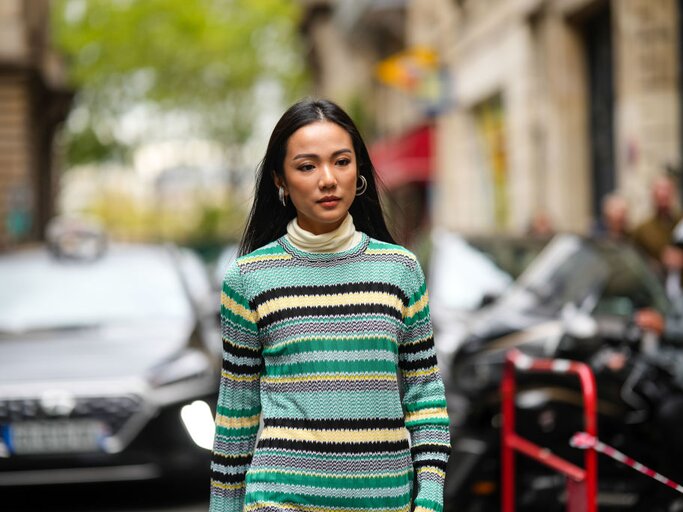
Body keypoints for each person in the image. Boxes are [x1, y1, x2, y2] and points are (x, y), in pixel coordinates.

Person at [209, 98, 451, 512]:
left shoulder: (400, 270)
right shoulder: (248, 279)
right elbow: (237, 414)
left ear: (358, 172)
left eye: (341, 161)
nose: (327, 179)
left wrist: (429, 498)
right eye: (306, 166)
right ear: (280, 181)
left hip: (384, 501)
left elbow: (424, 393)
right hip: (279, 499)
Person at [631, 174, 682, 275]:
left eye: (666, 190)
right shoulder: (642, 229)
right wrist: (653, 264)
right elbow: (634, 260)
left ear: (673, 193)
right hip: (657, 285)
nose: (663, 194)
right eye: (659, 190)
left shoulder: (681, 221)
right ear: (652, 195)